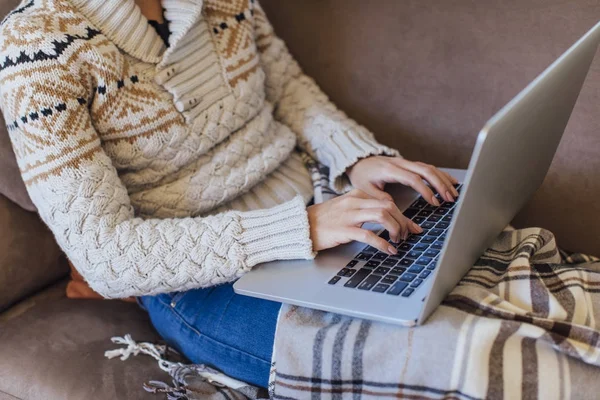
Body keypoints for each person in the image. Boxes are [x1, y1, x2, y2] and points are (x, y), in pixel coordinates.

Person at [0, 0, 459, 388]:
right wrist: (301, 228)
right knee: (438, 361)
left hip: (321, 208)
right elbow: (105, 256)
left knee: (469, 276)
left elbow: (287, 90)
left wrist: (356, 157)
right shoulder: (34, 46)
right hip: (199, 279)